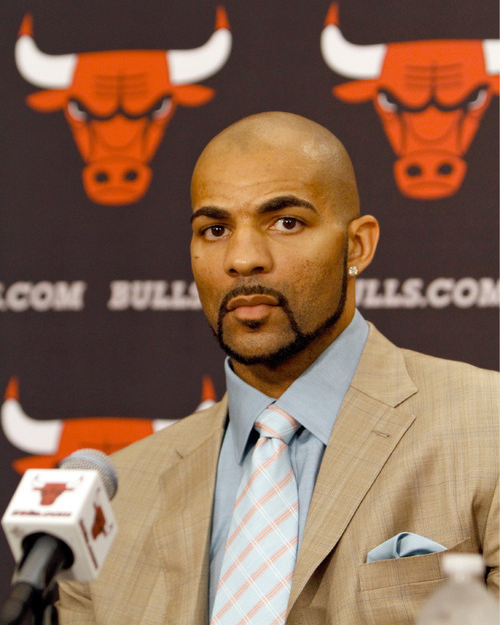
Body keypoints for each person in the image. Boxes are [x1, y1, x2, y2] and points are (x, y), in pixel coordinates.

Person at [57, 112, 499, 624]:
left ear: (357, 246)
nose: (243, 259)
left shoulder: (486, 426)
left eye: (286, 222)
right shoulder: (120, 496)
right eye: (215, 229)